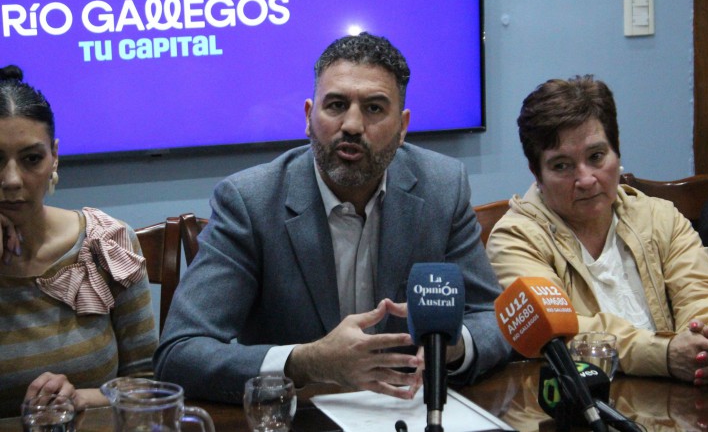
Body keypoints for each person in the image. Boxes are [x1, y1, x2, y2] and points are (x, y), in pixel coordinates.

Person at [154, 32, 511, 402]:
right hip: (301, 417)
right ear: (309, 117)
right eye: (336, 105)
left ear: (403, 126)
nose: (353, 125)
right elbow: (180, 353)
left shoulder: (442, 187)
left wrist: (449, 345)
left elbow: (493, 318)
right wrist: (306, 362)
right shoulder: (250, 202)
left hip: (410, 409)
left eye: (374, 108)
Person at [487, 75, 708, 384]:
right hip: (584, 404)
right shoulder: (515, 239)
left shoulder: (660, 217)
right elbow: (557, 334)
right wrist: (665, 355)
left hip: (679, 396)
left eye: (596, 157)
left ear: (617, 154)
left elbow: (702, 296)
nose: (586, 179)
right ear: (536, 174)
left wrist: (703, 347)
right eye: (561, 166)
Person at [0, 65, 158, 417]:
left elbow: (147, 383)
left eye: (31, 159)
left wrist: (81, 399)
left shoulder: (106, 243)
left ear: (54, 155)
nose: (11, 180)